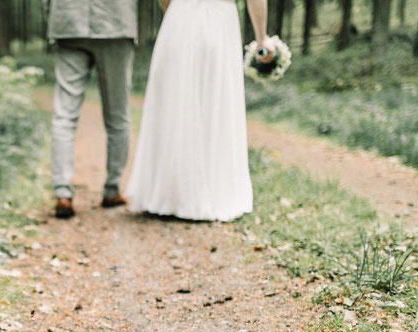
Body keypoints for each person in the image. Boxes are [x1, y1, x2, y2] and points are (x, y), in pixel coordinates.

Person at [124, 0, 275, 221]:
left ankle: (168, 194)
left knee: (173, 101)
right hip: (219, 22)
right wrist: (262, 37)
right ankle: (214, 193)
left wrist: (181, 10)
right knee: (216, 102)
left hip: (179, 20)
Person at [48, 0, 138, 219]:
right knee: (118, 116)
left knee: (64, 116)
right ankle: (112, 189)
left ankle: (62, 192)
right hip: (115, 22)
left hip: (68, 21)